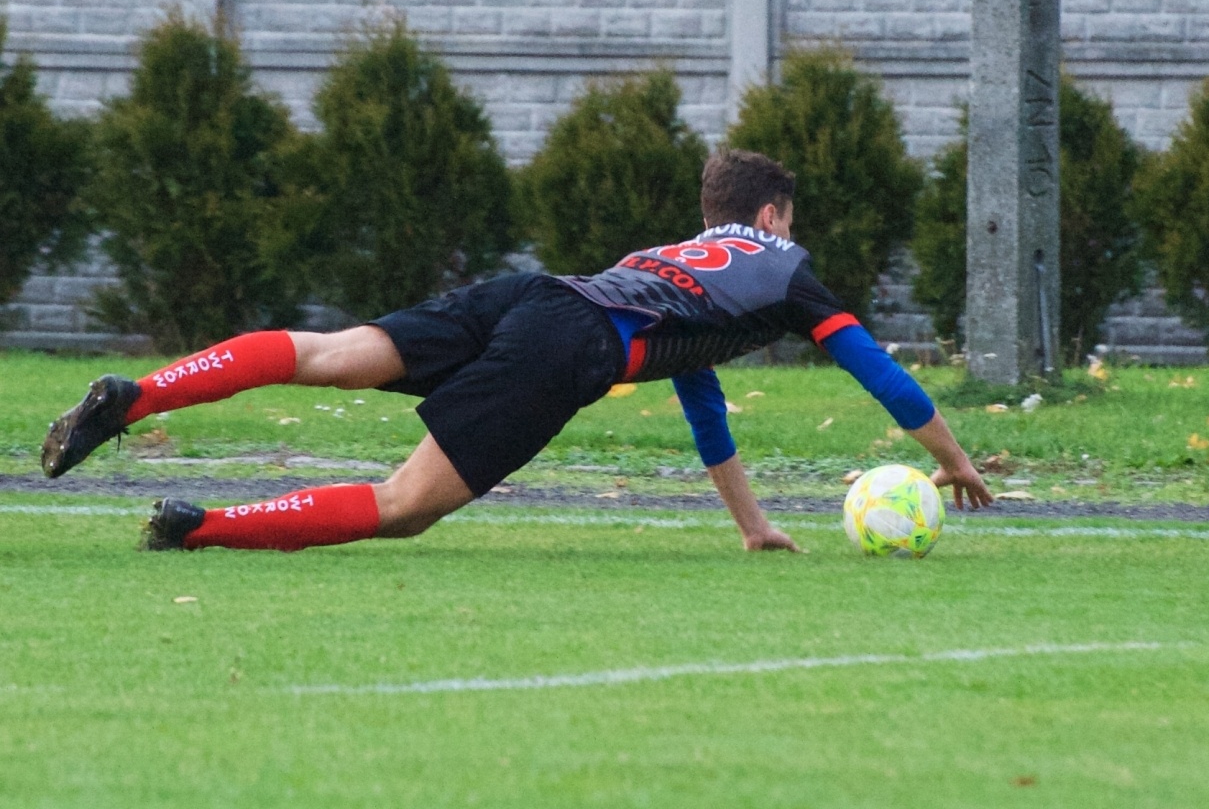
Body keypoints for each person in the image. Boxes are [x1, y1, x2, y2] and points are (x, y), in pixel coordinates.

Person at [41, 148, 994, 552]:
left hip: (533, 293)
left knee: (323, 351)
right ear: (774, 214)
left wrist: (751, 523)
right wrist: (950, 457)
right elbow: (874, 364)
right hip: (564, 342)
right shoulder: (784, 268)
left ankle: (140, 394)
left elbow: (698, 392)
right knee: (404, 505)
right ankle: (194, 527)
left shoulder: (667, 260)